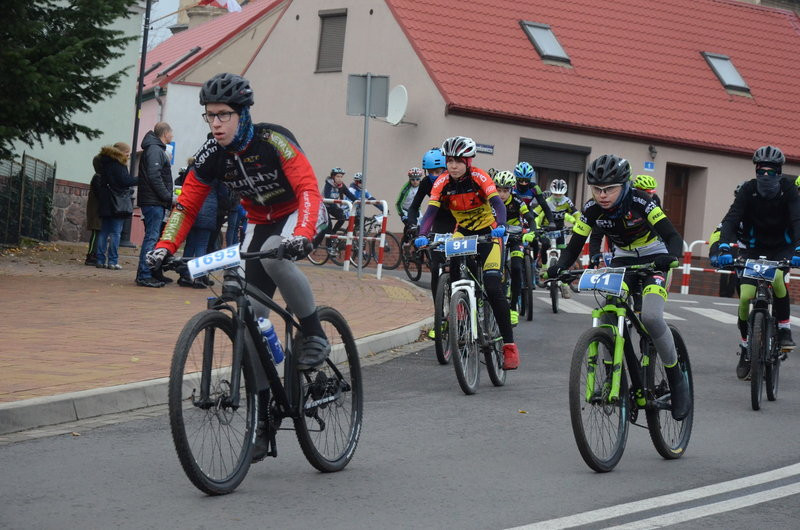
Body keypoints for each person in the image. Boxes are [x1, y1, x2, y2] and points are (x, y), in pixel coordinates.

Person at [146, 72, 330, 374]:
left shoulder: (273, 140)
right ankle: (265, 404)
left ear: (243, 114)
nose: (216, 123)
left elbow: (308, 189)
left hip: (300, 214)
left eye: (224, 115)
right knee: (251, 316)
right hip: (259, 223)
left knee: (275, 254)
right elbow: (188, 205)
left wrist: (301, 234)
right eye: (210, 116)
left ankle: (313, 333)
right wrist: (164, 248)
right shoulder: (211, 155)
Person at [545, 154, 690, 420]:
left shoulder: (641, 201)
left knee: (652, 317)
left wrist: (670, 257)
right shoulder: (591, 209)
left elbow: (672, 235)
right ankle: (616, 372)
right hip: (623, 259)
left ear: (623, 185)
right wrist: (560, 267)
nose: (602, 195)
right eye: (597, 189)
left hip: (655, 257)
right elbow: (575, 244)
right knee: (608, 311)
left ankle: (677, 379)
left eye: (609, 189)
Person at [414, 136, 521, 370]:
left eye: (458, 161)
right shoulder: (441, 182)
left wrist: (501, 225)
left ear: (468, 161)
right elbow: (431, 210)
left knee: (493, 286)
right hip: (462, 232)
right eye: (450, 160)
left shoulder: (480, 177)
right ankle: (460, 314)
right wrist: (422, 233)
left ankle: (509, 346)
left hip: (488, 234)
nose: (453, 165)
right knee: (454, 274)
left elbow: (498, 204)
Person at [717, 145, 800, 378]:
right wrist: (725, 246)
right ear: (756, 171)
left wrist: (799, 247)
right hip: (754, 247)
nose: (765, 176)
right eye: (761, 171)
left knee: (778, 282)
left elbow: (797, 219)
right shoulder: (747, 190)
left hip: (782, 247)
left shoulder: (789, 190)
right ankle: (746, 346)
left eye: (771, 172)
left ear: (779, 172)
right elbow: (731, 219)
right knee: (745, 297)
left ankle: (784, 329)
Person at [405, 148, 457, 311]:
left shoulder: (455, 180)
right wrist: (412, 224)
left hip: (458, 222)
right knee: (436, 269)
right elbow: (414, 207)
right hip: (439, 223)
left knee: (460, 266)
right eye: (431, 172)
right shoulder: (426, 183)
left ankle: (465, 304)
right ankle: (439, 316)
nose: (435, 175)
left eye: (438, 171)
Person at [174, 162, 228, 288]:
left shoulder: (193, 168)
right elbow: (223, 193)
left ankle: (184, 275)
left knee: (190, 243)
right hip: (208, 210)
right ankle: (199, 277)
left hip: (192, 208)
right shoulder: (216, 170)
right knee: (202, 244)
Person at [494, 170, 537, 325]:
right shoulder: (490, 201)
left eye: (505, 191)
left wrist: (531, 232)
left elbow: (530, 219)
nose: (501, 194)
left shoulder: (518, 201)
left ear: (511, 190)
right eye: (498, 190)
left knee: (517, 268)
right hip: (496, 237)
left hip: (515, 238)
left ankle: (513, 309)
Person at [135, 122, 174, 288]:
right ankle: (144, 275)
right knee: (151, 238)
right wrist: (167, 196)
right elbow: (154, 176)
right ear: (165, 133)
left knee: (154, 238)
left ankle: (151, 273)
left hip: (154, 201)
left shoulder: (154, 149)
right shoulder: (155, 150)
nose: (172, 136)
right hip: (154, 201)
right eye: (171, 133)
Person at [95, 142, 136, 270]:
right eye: (127, 153)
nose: (128, 156)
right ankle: (112, 261)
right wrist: (140, 179)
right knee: (116, 233)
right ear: (121, 152)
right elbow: (125, 181)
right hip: (117, 203)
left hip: (106, 202)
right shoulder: (119, 164)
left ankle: (100, 260)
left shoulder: (105, 162)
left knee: (104, 232)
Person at [312, 167, 357, 250]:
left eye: (341, 177)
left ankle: (332, 233)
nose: (339, 179)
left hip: (332, 206)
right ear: (333, 177)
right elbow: (328, 197)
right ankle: (327, 244)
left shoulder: (341, 186)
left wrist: (358, 201)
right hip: (324, 206)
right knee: (328, 225)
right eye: (338, 177)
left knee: (342, 218)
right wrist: (337, 207)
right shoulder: (328, 184)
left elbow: (349, 194)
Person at [84, 161, 103, 266]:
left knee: (98, 233)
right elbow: (100, 194)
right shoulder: (97, 177)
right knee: (96, 233)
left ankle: (94, 254)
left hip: (98, 210)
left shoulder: (99, 177)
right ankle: (91, 255)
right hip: (96, 211)